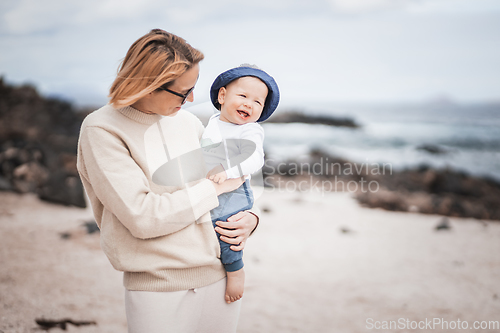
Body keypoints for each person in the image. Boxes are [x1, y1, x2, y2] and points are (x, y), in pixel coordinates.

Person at [76, 29, 260, 333]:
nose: (191, 98)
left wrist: (251, 220)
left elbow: (232, 182)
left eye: (194, 87)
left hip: (219, 277)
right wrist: (214, 188)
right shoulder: (102, 130)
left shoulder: (188, 121)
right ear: (149, 86)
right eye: (183, 91)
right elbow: (143, 216)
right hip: (156, 288)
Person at [201, 65, 279, 304]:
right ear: (222, 96)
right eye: (243, 96)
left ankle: (235, 270)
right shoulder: (213, 122)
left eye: (257, 101)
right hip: (210, 185)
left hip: (234, 190)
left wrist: (228, 170)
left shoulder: (250, 130)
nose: (249, 104)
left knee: (227, 230)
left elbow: (255, 158)